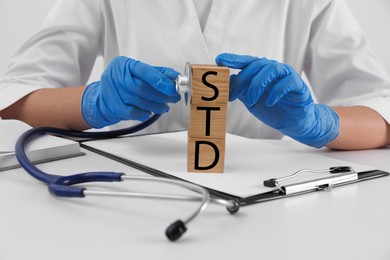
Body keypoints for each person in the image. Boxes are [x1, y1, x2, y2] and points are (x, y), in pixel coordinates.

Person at [0, 0, 389, 150]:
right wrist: (94, 103)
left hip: (265, 195)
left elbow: (381, 114)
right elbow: (16, 95)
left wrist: (319, 123)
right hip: (132, 190)